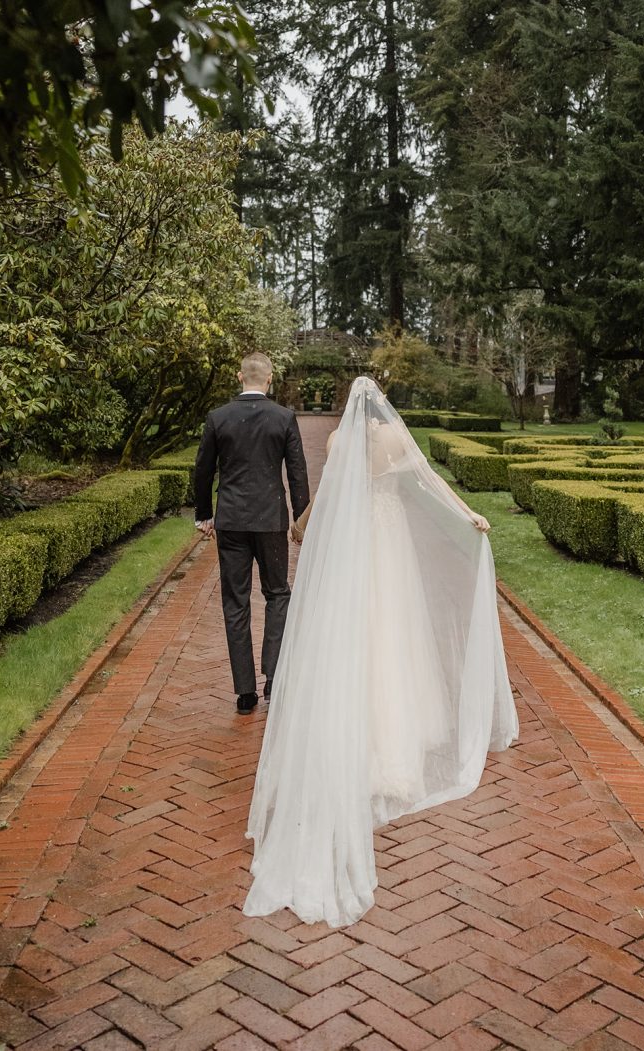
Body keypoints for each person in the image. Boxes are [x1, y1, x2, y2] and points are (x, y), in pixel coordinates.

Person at [243, 376, 519, 927]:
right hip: (388, 549)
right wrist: (470, 516)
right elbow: (428, 481)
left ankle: (356, 735)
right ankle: (399, 741)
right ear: (381, 405)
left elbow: (327, 496)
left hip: (356, 554)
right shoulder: (392, 437)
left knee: (354, 633)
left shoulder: (340, 443)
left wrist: (302, 524)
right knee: (396, 633)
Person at [194, 352, 310, 714]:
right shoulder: (284, 418)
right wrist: (300, 520)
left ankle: (245, 692)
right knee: (277, 594)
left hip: (231, 521)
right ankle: (273, 678)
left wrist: (204, 515)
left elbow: (202, 471)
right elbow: (297, 474)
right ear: (270, 379)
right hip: (270, 521)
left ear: (239, 377)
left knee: (236, 602)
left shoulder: (218, 417)